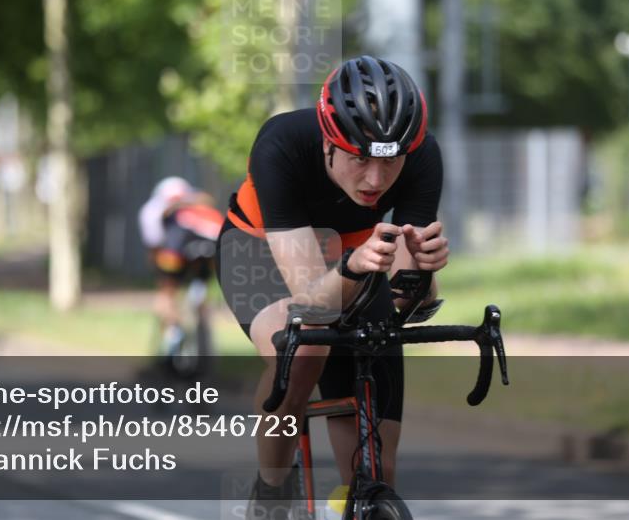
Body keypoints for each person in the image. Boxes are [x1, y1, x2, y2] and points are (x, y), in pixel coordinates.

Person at [216, 56, 449, 518]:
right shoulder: (281, 144)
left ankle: (358, 500)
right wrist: (352, 269)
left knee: (376, 452)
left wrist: (425, 274)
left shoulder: (423, 155)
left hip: (355, 259)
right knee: (303, 349)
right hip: (260, 250)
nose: (376, 182)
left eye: (391, 162)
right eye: (360, 159)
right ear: (328, 142)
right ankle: (272, 488)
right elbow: (309, 302)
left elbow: (406, 301)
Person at [139, 177, 224, 356]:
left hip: (175, 251)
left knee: (167, 292)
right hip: (213, 249)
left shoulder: (152, 209)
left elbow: (154, 246)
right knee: (200, 292)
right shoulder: (200, 203)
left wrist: (161, 275)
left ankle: (172, 336)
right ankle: (202, 334)